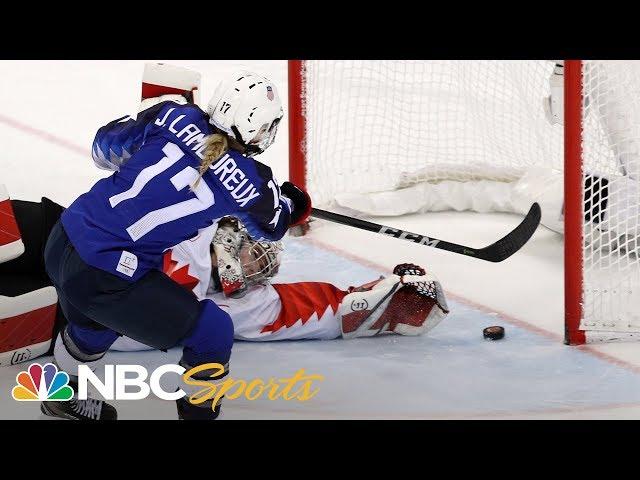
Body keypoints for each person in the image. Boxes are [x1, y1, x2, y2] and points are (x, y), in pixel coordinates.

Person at [38, 70, 312, 420]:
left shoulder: (173, 112)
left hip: (64, 237)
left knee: (97, 322)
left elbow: (103, 148)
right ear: (259, 128)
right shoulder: (255, 181)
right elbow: (275, 225)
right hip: (104, 274)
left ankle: (61, 396)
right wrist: (295, 200)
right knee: (213, 331)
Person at [1, 196, 449, 358]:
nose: (253, 271)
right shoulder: (197, 223)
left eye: (261, 269)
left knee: (20, 313)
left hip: (63, 309)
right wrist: (270, 200)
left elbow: (312, 309)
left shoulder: (238, 306)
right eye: (255, 254)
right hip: (67, 240)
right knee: (14, 223)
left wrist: (390, 301)